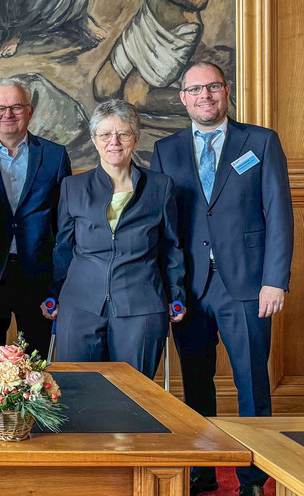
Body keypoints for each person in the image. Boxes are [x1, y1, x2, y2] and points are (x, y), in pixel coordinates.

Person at [150, 61, 292, 496]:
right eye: (195, 90)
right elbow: (164, 225)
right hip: (190, 289)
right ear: (183, 98)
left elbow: (281, 215)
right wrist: (169, 288)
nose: (204, 96)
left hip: (248, 286)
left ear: (226, 91)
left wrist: (275, 280)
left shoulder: (260, 141)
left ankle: (253, 479)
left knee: (251, 384)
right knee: (196, 387)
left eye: (212, 88)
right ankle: (203, 469)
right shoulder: (166, 149)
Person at [48, 99, 185, 379]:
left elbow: (171, 247)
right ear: (94, 140)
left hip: (141, 306)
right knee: (77, 392)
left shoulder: (160, 186)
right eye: (105, 134)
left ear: (135, 138)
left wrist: (176, 294)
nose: (114, 142)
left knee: (134, 396)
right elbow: (63, 248)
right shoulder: (72, 187)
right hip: (80, 305)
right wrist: (53, 293)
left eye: (122, 134)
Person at [0, 79, 71, 358]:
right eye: (0, 107)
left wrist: (58, 282)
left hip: (37, 276)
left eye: (16, 107)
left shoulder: (54, 156)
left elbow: (65, 225)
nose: (8, 114)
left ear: (30, 111)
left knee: (38, 366)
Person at [92, 0, 219, 115]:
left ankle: (206, 99)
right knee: (103, 88)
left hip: (175, 35)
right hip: (146, 21)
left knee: (133, 98)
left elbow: (198, 0)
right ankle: (179, 78)